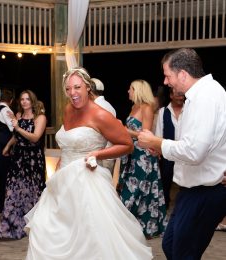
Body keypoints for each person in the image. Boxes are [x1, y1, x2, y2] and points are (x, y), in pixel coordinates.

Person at [24, 67, 153, 259]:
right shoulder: (68, 109)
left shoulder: (100, 114)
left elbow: (127, 145)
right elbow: (68, 140)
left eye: (77, 87)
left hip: (87, 182)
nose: (72, 93)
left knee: (89, 236)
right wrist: (61, 159)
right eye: (68, 89)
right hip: (61, 182)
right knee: (51, 230)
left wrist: (98, 154)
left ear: (87, 87)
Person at [137, 48, 226, 259]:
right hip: (193, 188)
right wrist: (160, 146)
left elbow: (194, 151)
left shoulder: (205, 98)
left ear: (183, 74)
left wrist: (156, 141)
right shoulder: (201, 96)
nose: (166, 82)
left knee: (182, 252)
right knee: (170, 245)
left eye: (168, 75)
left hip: (205, 191)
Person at [117, 79, 167, 239]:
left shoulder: (147, 108)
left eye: (131, 88)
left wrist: (124, 130)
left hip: (143, 155)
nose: (128, 91)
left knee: (141, 190)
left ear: (138, 90)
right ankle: (130, 227)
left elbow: (145, 134)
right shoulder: (134, 107)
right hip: (131, 153)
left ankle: (143, 228)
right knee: (130, 188)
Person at [0, 90, 47, 240]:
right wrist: (7, 146)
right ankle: (9, 225)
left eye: (27, 99)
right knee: (12, 190)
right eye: (22, 99)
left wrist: (18, 128)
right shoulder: (18, 116)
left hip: (33, 159)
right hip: (18, 157)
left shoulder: (40, 117)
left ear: (33, 101)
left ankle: (32, 224)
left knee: (32, 191)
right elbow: (16, 136)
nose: (24, 102)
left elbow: (35, 137)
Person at [155, 88, 185, 209]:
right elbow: (159, 131)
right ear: (171, 95)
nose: (181, 97)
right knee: (166, 177)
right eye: (178, 95)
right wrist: (158, 149)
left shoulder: (189, 110)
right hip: (168, 150)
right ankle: (165, 204)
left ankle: (183, 205)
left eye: (182, 95)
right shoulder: (163, 111)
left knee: (185, 179)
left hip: (184, 150)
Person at [91, 77, 117, 174]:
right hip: (109, 153)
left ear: (91, 92)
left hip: (103, 154)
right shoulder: (109, 106)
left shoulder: (97, 107)